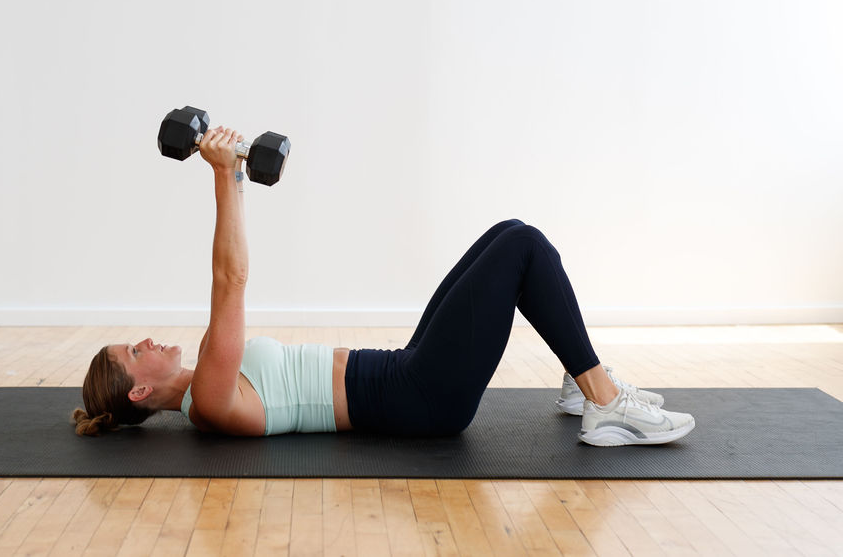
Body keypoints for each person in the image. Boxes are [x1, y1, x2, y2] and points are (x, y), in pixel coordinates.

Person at [72, 126, 695, 447]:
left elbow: (228, 278)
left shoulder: (207, 383)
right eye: (133, 351)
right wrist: (222, 175)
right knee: (523, 246)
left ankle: (577, 381)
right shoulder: (207, 397)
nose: (145, 341)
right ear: (141, 391)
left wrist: (231, 175)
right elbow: (230, 278)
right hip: (421, 399)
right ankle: (605, 405)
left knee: (507, 232)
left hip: (405, 371)